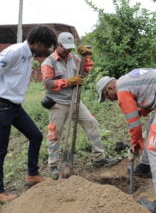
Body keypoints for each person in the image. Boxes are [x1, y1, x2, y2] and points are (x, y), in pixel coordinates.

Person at [96, 68, 156, 213]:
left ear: (110, 87)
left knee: (154, 146)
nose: (109, 99)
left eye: (106, 96)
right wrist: (142, 111)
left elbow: (134, 126)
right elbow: (150, 93)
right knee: (151, 127)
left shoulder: (122, 91)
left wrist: (136, 144)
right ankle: (146, 167)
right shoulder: (126, 80)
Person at [0, 26, 57, 203]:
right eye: (46, 46)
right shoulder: (13, 52)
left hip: (15, 106)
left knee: (36, 136)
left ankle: (32, 174)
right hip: (1, 105)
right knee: (0, 150)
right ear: (38, 43)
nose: (47, 50)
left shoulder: (30, 55)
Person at [41, 32, 118, 180]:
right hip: (58, 103)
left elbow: (85, 72)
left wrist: (86, 57)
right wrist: (68, 82)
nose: (68, 51)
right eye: (65, 48)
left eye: (71, 48)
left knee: (92, 123)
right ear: (58, 45)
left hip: (75, 100)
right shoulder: (48, 62)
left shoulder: (74, 58)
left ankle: (99, 158)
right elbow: (48, 83)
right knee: (54, 134)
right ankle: (54, 166)